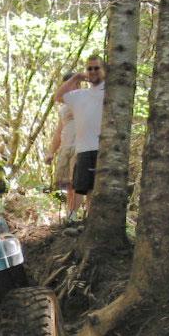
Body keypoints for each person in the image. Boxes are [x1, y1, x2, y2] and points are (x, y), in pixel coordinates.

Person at [52, 56, 105, 217]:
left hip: (98, 146)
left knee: (92, 188)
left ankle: (89, 217)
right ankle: (72, 216)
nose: (93, 71)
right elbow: (58, 97)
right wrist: (76, 77)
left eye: (96, 68)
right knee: (79, 185)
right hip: (81, 148)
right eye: (89, 68)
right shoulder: (78, 96)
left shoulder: (105, 92)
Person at [45, 72, 82, 222]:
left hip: (80, 146)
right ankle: (70, 214)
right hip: (66, 146)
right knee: (68, 183)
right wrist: (51, 152)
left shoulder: (84, 100)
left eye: (75, 84)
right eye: (67, 85)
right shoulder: (63, 108)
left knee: (78, 181)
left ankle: (74, 214)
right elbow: (58, 132)